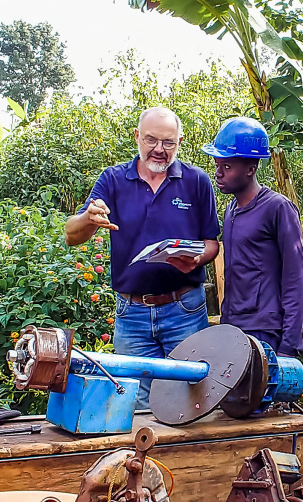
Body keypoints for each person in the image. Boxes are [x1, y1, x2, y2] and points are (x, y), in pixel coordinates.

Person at [64, 106, 220, 407]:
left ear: (180, 142)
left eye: (168, 142)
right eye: (151, 140)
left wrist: (196, 259)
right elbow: (71, 235)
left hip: (184, 309)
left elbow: (211, 244)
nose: (159, 150)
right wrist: (88, 219)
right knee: (136, 402)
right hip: (131, 314)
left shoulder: (197, 181)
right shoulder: (113, 180)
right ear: (137, 137)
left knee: (193, 399)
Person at [202, 117, 303, 357]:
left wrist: (289, 345)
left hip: (265, 331)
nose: (218, 173)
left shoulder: (277, 208)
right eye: (217, 165)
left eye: (227, 167)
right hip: (234, 327)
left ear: (251, 169)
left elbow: (295, 280)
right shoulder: (231, 211)